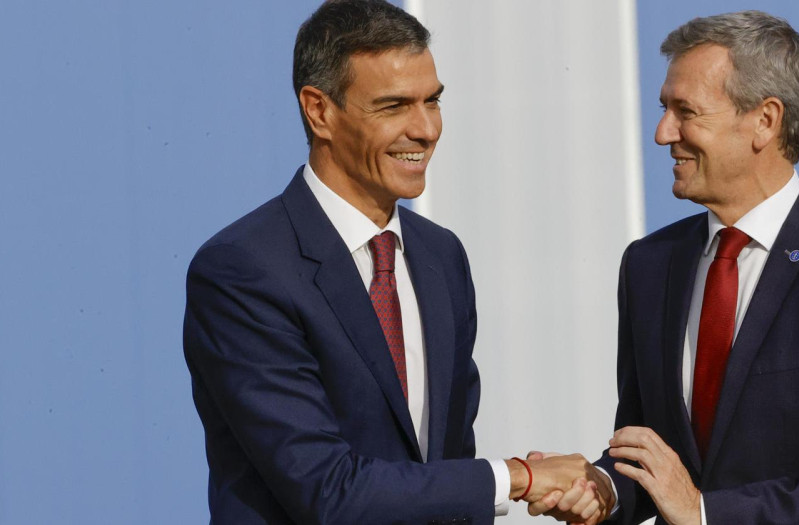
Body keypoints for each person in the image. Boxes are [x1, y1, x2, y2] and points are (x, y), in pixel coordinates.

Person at [182, 1, 605, 523]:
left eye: (433, 100)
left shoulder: (440, 256)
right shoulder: (243, 269)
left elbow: (447, 465)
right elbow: (327, 489)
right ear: (320, 111)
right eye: (393, 106)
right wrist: (519, 477)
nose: (426, 130)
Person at [533, 10, 799, 525]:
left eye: (687, 112)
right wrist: (604, 488)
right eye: (664, 109)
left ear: (765, 120)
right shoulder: (648, 266)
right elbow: (651, 455)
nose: (663, 133)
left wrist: (708, 513)